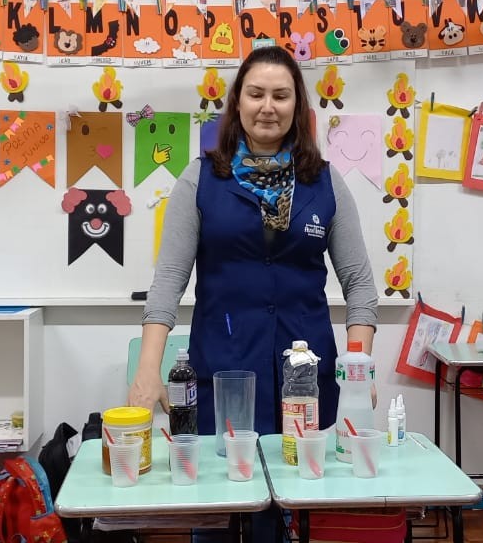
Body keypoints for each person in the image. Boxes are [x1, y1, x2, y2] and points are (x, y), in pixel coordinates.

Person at [129, 47, 378, 540]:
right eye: (256, 94)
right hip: (225, 369)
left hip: (304, 374)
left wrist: (358, 364)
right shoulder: (200, 179)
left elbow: (360, 285)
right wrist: (147, 371)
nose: (268, 106)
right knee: (218, 502)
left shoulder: (325, 182)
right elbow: (168, 282)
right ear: (237, 102)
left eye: (280, 95)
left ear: (297, 105)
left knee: (292, 500)